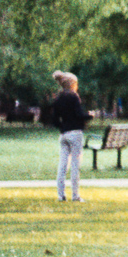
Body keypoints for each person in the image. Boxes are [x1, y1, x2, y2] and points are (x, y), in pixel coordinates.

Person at [49, 71, 92, 202]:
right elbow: (79, 115)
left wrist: (63, 128)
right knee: (75, 165)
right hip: (75, 134)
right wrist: (90, 115)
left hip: (64, 134)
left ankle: (61, 195)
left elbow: (55, 120)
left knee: (62, 166)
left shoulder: (58, 98)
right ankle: (75, 195)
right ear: (73, 84)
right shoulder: (74, 97)